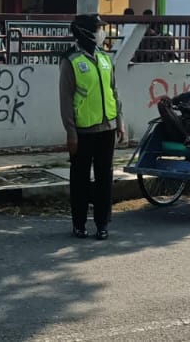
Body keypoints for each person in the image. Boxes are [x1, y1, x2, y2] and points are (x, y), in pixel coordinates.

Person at [59, 14, 126, 241]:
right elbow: (65, 100)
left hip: (107, 128)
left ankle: (102, 223)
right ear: (85, 32)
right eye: (98, 29)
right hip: (83, 131)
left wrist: (120, 121)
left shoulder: (105, 58)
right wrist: (71, 133)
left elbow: (114, 92)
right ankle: (79, 224)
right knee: (80, 179)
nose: (101, 33)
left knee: (104, 178)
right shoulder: (70, 61)